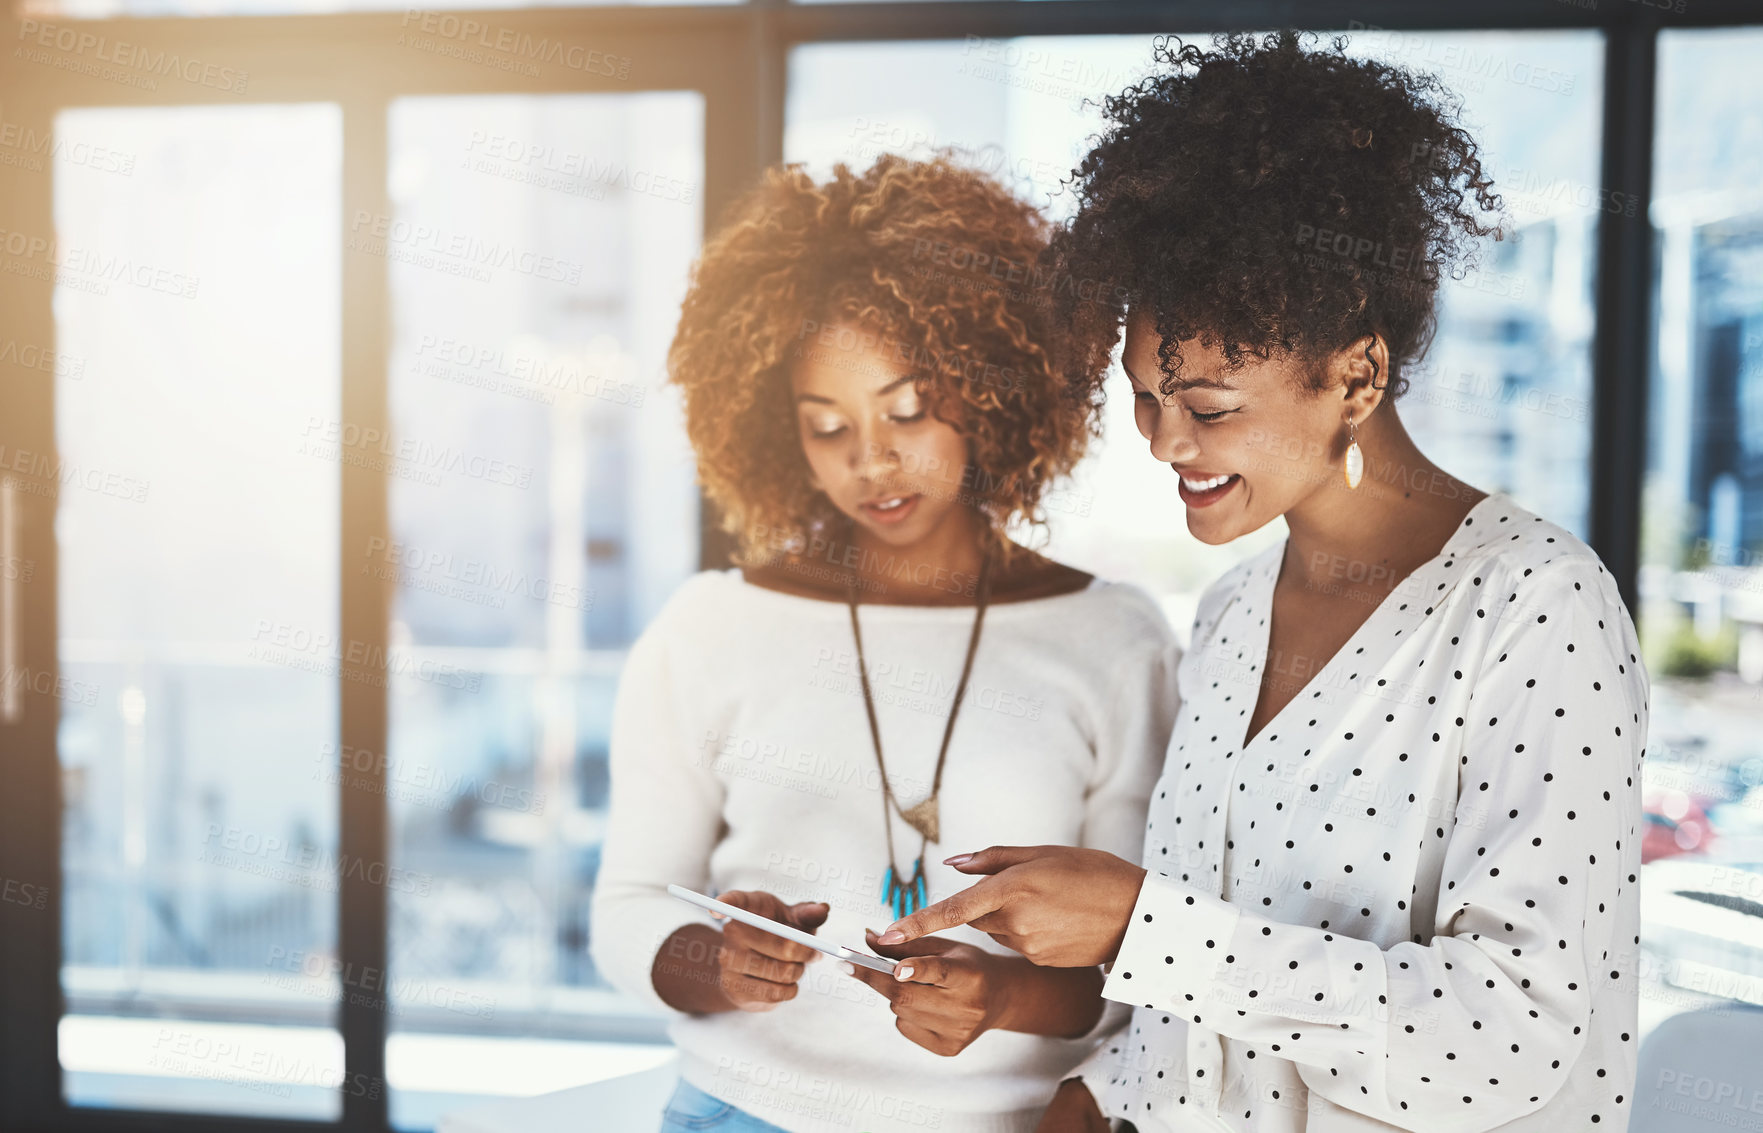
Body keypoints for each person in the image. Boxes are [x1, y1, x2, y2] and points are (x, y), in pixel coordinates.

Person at [872, 33, 1650, 1133]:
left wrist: (1140, 923)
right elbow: (1207, 1016)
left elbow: (1505, 1043)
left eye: (1206, 403)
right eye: (1143, 397)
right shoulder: (1233, 613)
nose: (1162, 443)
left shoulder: (1533, 606)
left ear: (1357, 373)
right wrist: (1085, 1090)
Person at [590, 152, 1183, 1133]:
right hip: (741, 1112)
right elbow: (625, 906)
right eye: (826, 427)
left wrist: (999, 995)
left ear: (993, 389)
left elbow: (1137, 962)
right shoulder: (710, 626)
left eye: (907, 409)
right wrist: (716, 962)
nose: (871, 461)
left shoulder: (1113, 641)